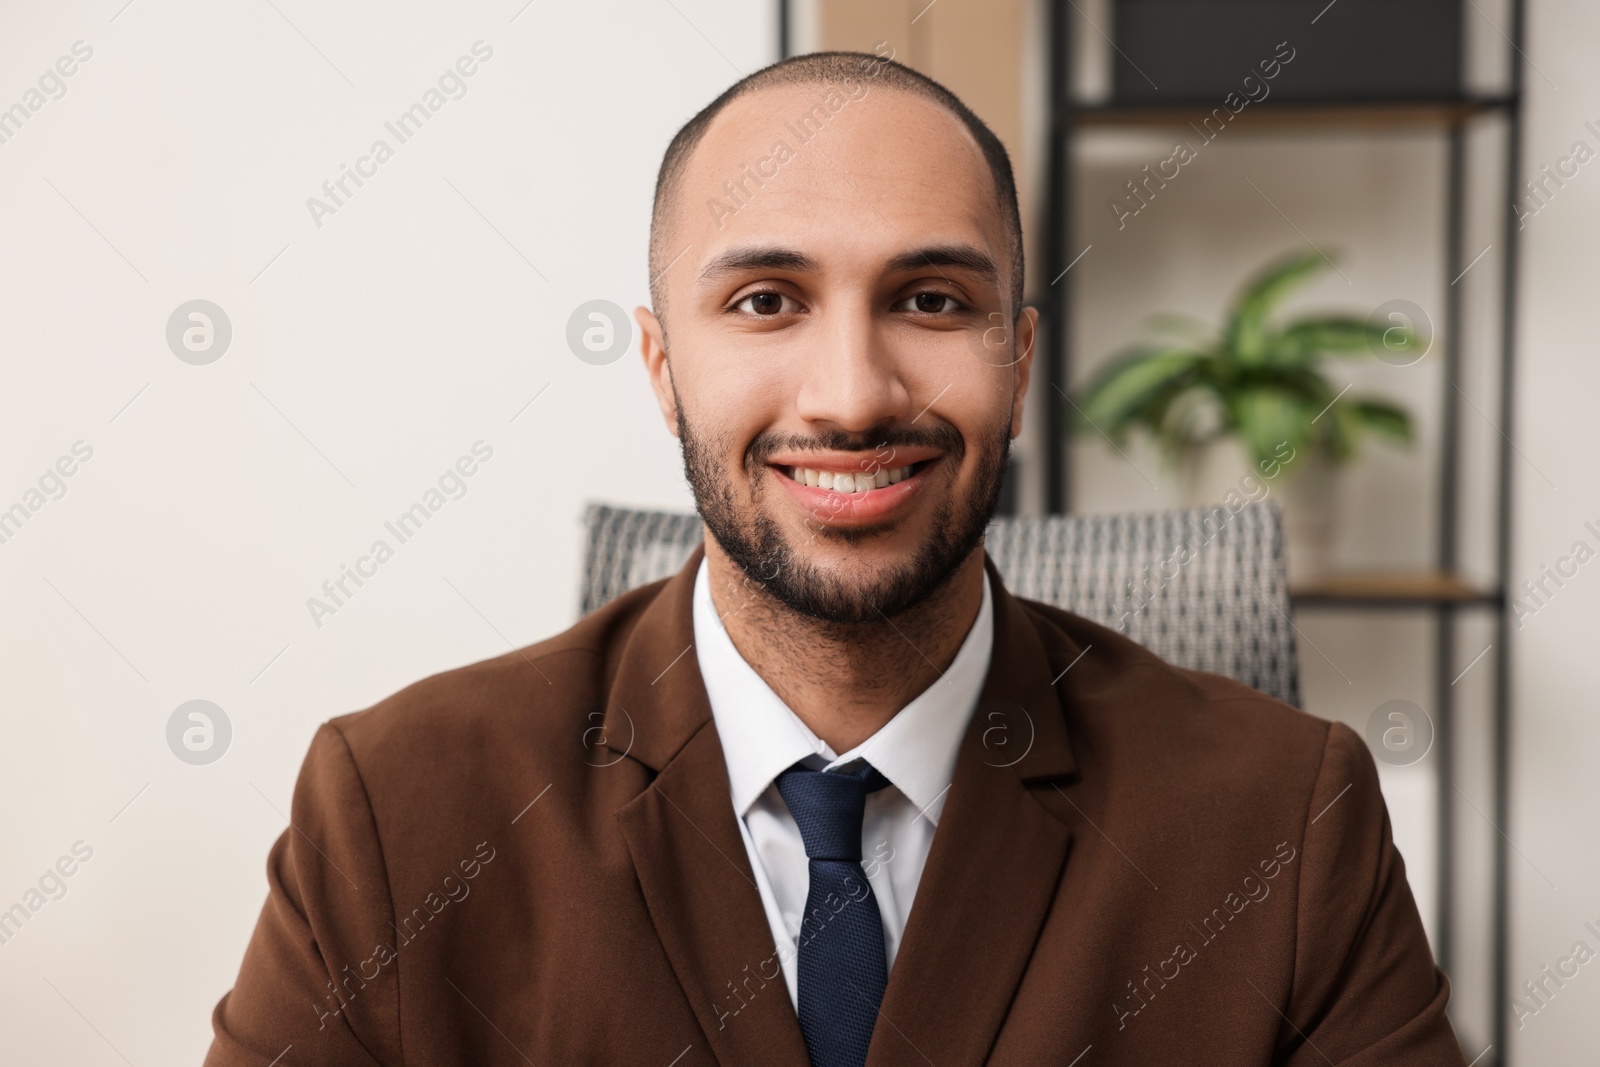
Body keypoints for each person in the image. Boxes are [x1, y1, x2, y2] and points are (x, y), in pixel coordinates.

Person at [206, 52, 1466, 1066]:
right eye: (765, 300)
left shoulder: (1286, 824)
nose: (853, 395)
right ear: (660, 367)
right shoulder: (395, 815)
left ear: (1019, 363)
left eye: (929, 299)